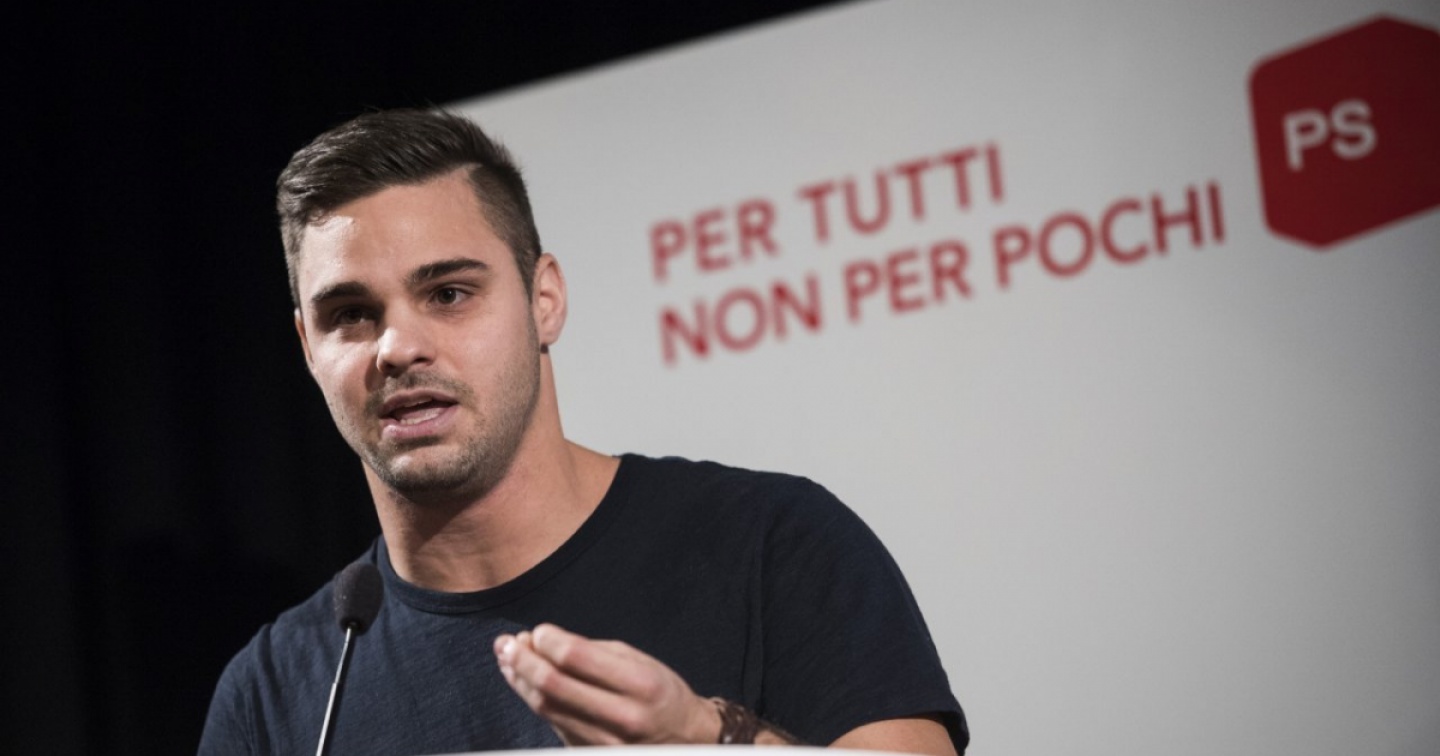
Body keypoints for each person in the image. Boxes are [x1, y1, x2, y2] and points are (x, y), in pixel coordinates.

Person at [199, 108, 967, 755]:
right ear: (308, 348)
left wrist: (708, 739)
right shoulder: (274, 698)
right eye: (350, 315)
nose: (397, 348)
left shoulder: (776, 546)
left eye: (449, 293)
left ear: (545, 302)